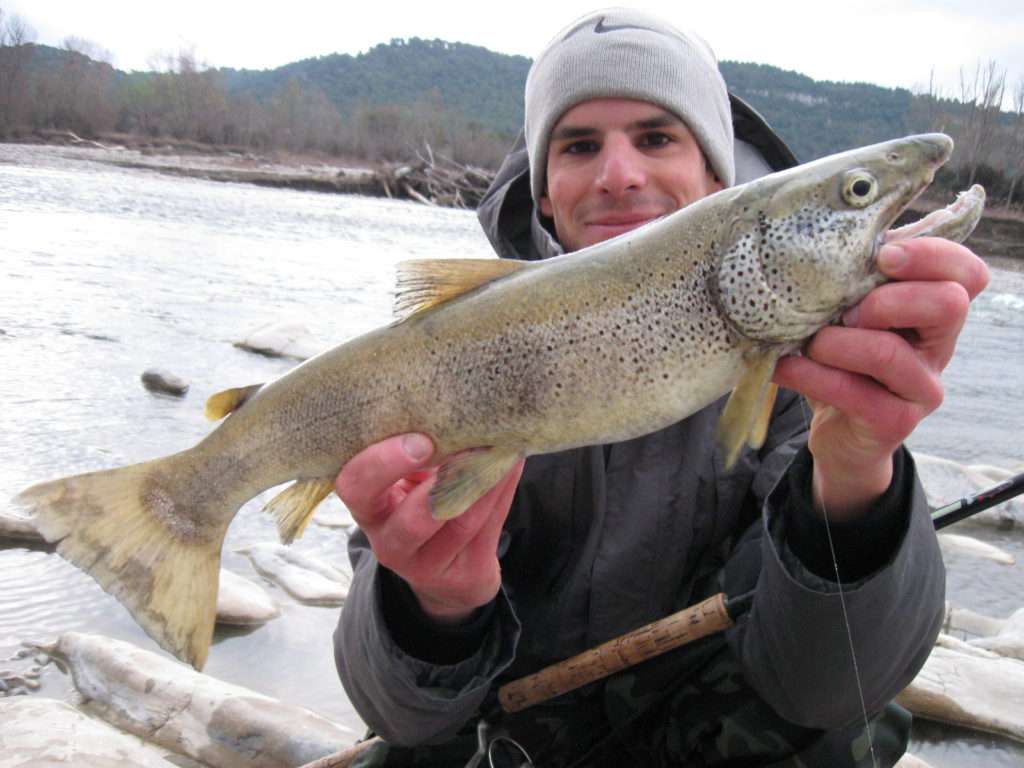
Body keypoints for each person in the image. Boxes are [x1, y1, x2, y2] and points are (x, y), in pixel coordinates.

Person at [333, 8, 990, 767]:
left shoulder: (817, 380)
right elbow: (396, 712)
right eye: (580, 145)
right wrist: (434, 609)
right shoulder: (455, 362)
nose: (620, 174)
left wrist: (856, 479)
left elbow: (833, 690)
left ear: (718, 175)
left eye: (657, 137)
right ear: (543, 190)